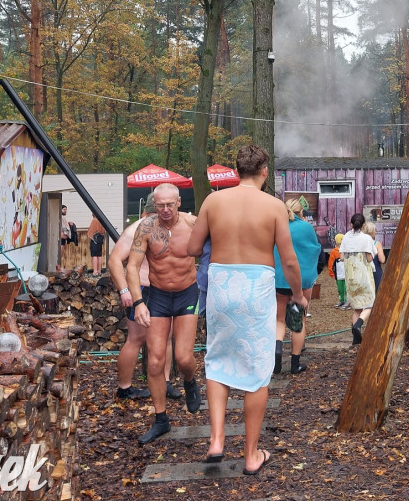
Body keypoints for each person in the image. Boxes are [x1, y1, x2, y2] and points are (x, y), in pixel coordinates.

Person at [186, 145, 306, 473]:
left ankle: (216, 440)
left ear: (237, 170)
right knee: (257, 368)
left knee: (218, 357)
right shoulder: (273, 206)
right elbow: (290, 259)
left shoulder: (213, 201)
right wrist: (297, 295)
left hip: (222, 284)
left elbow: (192, 248)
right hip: (256, 286)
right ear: (264, 171)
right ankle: (251, 455)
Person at [126, 183, 202, 445]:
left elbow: (219, 248)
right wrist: (138, 302)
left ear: (179, 202)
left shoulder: (194, 224)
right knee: (155, 362)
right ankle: (161, 419)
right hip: (157, 296)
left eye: (170, 204)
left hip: (187, 294)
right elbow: (132, 266)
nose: (166, 210)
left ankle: (191, 381)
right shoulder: (146, 228)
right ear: (154, 205)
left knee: (183, 358)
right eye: (160, 205)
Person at [107, 194, 178, 401]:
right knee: (136, 339)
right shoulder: (137, 229)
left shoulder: (169, 227)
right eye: (160, 209)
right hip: (143, 290)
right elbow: (114, 261)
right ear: (150, 210)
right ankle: (125, 388)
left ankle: (164, 383)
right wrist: (125, 290)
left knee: (165, 339)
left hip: (165, 289)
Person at [272, 199, 322, 375]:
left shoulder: (277, 225)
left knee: (279, 320)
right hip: (300, 282)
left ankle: (277, 356)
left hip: (279, 280)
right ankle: (295, 364)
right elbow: (315, 249)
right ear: (302, 212)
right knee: (297, 321)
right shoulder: (306, 228)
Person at [339, 213, 377, 345]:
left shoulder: (346, 238)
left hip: (350, 277)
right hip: (364, 276)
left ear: (351, 224)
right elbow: (369, 258)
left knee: (357, 308)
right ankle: (358, 325)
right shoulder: (366, 238)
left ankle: (356, 340)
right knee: (370, 304)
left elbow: (342, 257)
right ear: (363, 225)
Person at [364, 221, 386, 291]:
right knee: (378, 291)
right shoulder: (377, 244)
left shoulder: (361, 243)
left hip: (364, 271)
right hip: (376, 271)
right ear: (373, 232)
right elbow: (382, 260)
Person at [327, 233, 347, 308]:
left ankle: (347, 301)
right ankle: (342, 300)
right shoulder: (334, 252)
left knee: (346, 288)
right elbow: (331, 263)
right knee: (340, 288)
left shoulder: (346, 250)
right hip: (338, 274)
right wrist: (331, 272)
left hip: (345, 273)